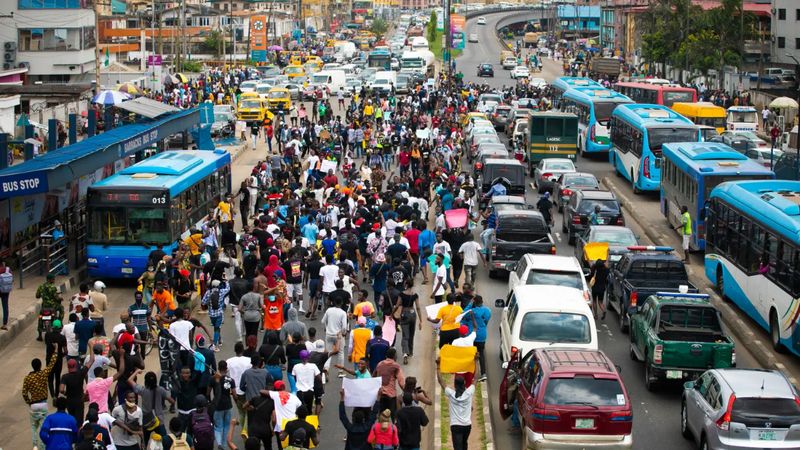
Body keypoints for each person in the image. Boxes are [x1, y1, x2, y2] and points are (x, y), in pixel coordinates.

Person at [23, 352, 59, 449]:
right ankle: (43, 447)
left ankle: (35, 446)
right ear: (40, 365)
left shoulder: (27, 378)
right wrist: (55, 351)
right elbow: (51, 364)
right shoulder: (43, 374)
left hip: (33, 406)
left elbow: (24, 393)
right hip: (43, 404)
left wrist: (28, 401)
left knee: (34, 427)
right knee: (43, 428)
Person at [437, 361, 475, 450]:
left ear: (455, 384)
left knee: (458, 447)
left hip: (455, 426)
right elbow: (476, 378)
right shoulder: (469, 393)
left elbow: (440, 381)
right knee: (464, 444)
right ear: (464, 383)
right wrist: (476, 361)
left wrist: (438, 366)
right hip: (467, 426)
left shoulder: (451, 394)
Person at [463, 296, 491, 382]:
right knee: (481, 354)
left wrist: (470, 304)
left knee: (472, 355)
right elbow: (486, 321)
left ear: (474, 302)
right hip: (482, 335)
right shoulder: (487, 310)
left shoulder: (472, 311)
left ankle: (472, 374)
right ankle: (483, 374)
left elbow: (463, 314)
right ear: (482, 302)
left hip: (473, 335)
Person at [373, 348, 405, 418]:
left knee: (381, 416)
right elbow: (401, 381)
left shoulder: (379, 364)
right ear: (394, 356)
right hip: (391, 395)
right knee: (394, 416)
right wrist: (406, 391)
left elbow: (374, 377)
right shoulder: (396, 366)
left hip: (381, 394)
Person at [36, 273, 63, 341]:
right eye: (53, 279)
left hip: (44, 306)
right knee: (61, 309)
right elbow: (56, 297)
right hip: (53, 306)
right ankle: (60, 322)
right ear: (50, 279)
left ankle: (39, 336)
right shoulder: (53, 287)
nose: (54, 280)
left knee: (40, 319)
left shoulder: (41, 286)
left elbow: (37, 296)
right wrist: (60, 299)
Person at [0, 259, 13, 330]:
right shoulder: (8, 269)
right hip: (6, 290)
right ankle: (4, 324)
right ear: (3, 263)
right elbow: (12, 280)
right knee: (5, 306)